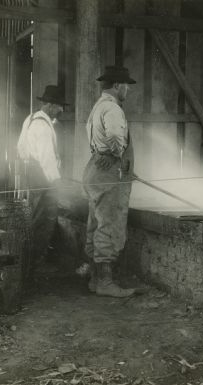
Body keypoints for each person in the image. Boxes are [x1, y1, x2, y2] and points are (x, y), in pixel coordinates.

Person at [83, 65, 136, 298]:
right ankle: (105, 282)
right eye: (126, 86)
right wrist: (116, 155)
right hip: (108, 173)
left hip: (95, 169)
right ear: (117, 85)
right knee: (109, 223)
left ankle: (95, 279)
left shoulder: (97, 107)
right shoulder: (113, 109)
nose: (128, 90)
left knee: (95, 223)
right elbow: (115, 136)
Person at [16, 85, 67, 272]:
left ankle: (28, 265)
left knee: (32, 222)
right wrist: (57, 181)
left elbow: (21, 148)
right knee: (43, 223)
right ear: (51, 106)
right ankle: (33, 267)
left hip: (30, 176)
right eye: (60, 106)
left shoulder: (30, 119)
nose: (61, 110)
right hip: (42, 180)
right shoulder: (43, 126)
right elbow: (47, 159)